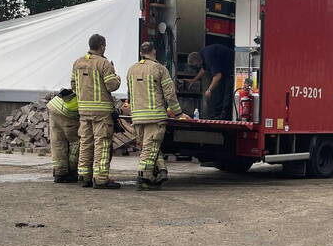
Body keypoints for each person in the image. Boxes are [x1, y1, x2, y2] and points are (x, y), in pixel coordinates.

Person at [126, 41, 182, 190]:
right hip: (155, 117)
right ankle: (144, 178)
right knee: (150, 149)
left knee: (148, 148)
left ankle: (161, 171)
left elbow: (130, 94)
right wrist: (178, 113)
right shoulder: (160, 69)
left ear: (140, 53)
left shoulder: (131, 69)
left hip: (137, 117)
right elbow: (170, 94)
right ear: (154, 52)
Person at [72, 33, 122, 189]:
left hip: (84, 110)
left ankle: (84, 176)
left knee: (86, 142)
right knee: (102, 144)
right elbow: (112, 85)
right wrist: (116, 76)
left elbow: (74, 85)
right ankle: (100, 179)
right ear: (102, 46)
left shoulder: (78, 63)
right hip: (101, 113)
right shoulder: (104, 64)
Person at [187, 43, 235, 120]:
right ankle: (218, 114)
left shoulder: (209, 57)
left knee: (226, 94)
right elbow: (203, 69)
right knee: (219, 91)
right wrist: (194, 80)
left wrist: (209, 90)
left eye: (195, 65)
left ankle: (224, 116)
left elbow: (218, 76)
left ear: (197, 60)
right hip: (224, 71)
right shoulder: (202, 54)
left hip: (231, 69)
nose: (196, 67)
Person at [46, 89, 79, 183]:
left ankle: (59, 172)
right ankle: (72, 171)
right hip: (69, 111)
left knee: (58, 142)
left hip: (54, 106)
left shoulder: (80, 78)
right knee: (76, 143)